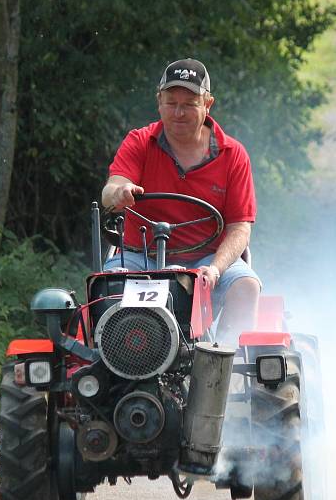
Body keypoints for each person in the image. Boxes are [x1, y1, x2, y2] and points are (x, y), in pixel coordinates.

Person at [101, 58, 260, 344]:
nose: (178, 112)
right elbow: (112, 189)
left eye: (189, 103)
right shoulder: (139, 141)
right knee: (106, 289)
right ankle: (113, 365)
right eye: (171, 102)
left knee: (246, 285)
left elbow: (240, 227)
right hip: (141, 255)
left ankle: (226, 366)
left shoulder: (233, 154)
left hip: (208, 259)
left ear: (207, 104)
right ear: (159, 101)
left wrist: (215, 269)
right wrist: (119, 194)